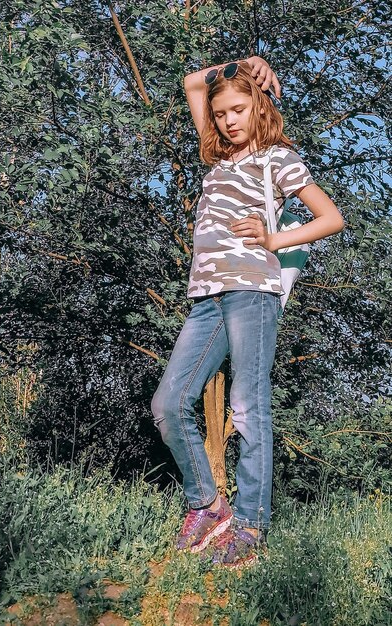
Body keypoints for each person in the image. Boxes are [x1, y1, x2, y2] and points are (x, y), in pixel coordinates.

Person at [151, 56, 344, 567]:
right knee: (169, 404)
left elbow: (331, 218)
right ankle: (208, 505)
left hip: (252, 292)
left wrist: (276, 238)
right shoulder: (217, 159)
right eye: (220, 114)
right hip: (205, 298)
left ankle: (252, 525)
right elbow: (193, 81)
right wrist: (243, 63)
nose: (228, 120)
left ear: (259, 107)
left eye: (239, 109)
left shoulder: (279, 160)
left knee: (247, 408)